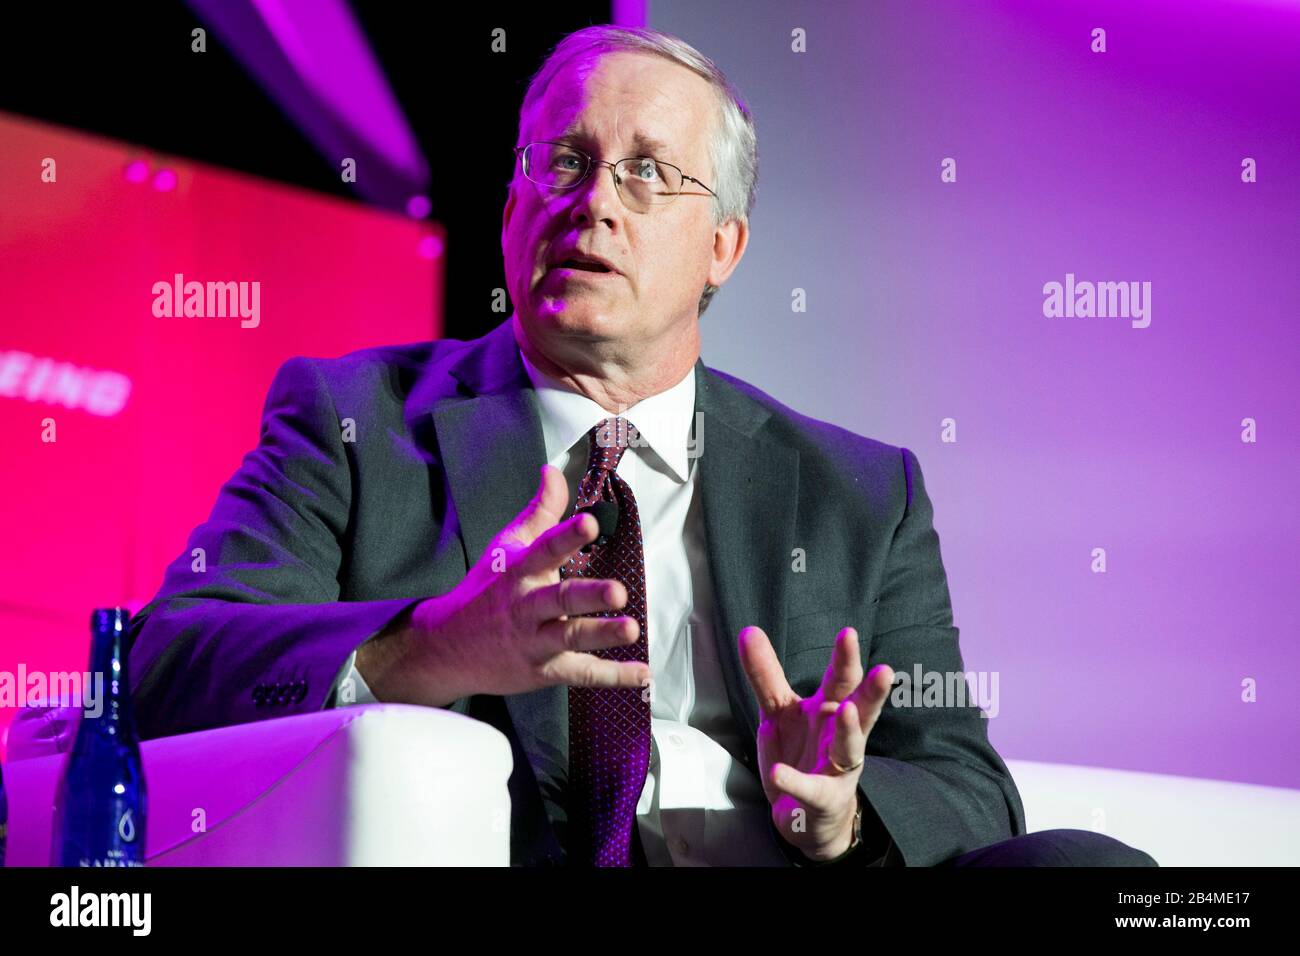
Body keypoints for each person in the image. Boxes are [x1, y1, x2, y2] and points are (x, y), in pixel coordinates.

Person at [128, 24, 1155, 868]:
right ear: (510, 209)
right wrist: (431, 648)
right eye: (563, 161)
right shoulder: (358, 422)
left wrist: (838, 811)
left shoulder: (856, 491)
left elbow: (969, 788)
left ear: (723, 246)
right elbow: (169, 664)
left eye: (648, 172)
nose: (595, 201)